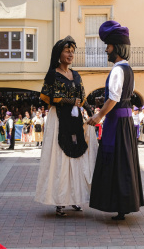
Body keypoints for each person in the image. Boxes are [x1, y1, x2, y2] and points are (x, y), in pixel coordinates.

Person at [35, 35, 97, 217]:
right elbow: (49, 97)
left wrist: (91, 112)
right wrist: (71, 100)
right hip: (59, 119)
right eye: (67, 51)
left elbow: (83, 97)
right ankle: (59, 201)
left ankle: (75, 198)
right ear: (58, 54)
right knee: (60, 159)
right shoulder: (52, 74)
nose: (70, 54)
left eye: (72, 52)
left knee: (76, 159)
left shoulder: (76, 75)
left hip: (76, 119)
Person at [87, 21, 144, 220]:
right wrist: (104, 102)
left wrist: (99, 115)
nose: (106, 50)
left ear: (117, 48)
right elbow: (124, 98)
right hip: (125, 124)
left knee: (115, 162)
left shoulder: (117, 71)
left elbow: (114, 98)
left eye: (108, 47)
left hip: (116, 125)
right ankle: (123, 205)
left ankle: (119, 204)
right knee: (124, 162)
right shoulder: (129, 70)